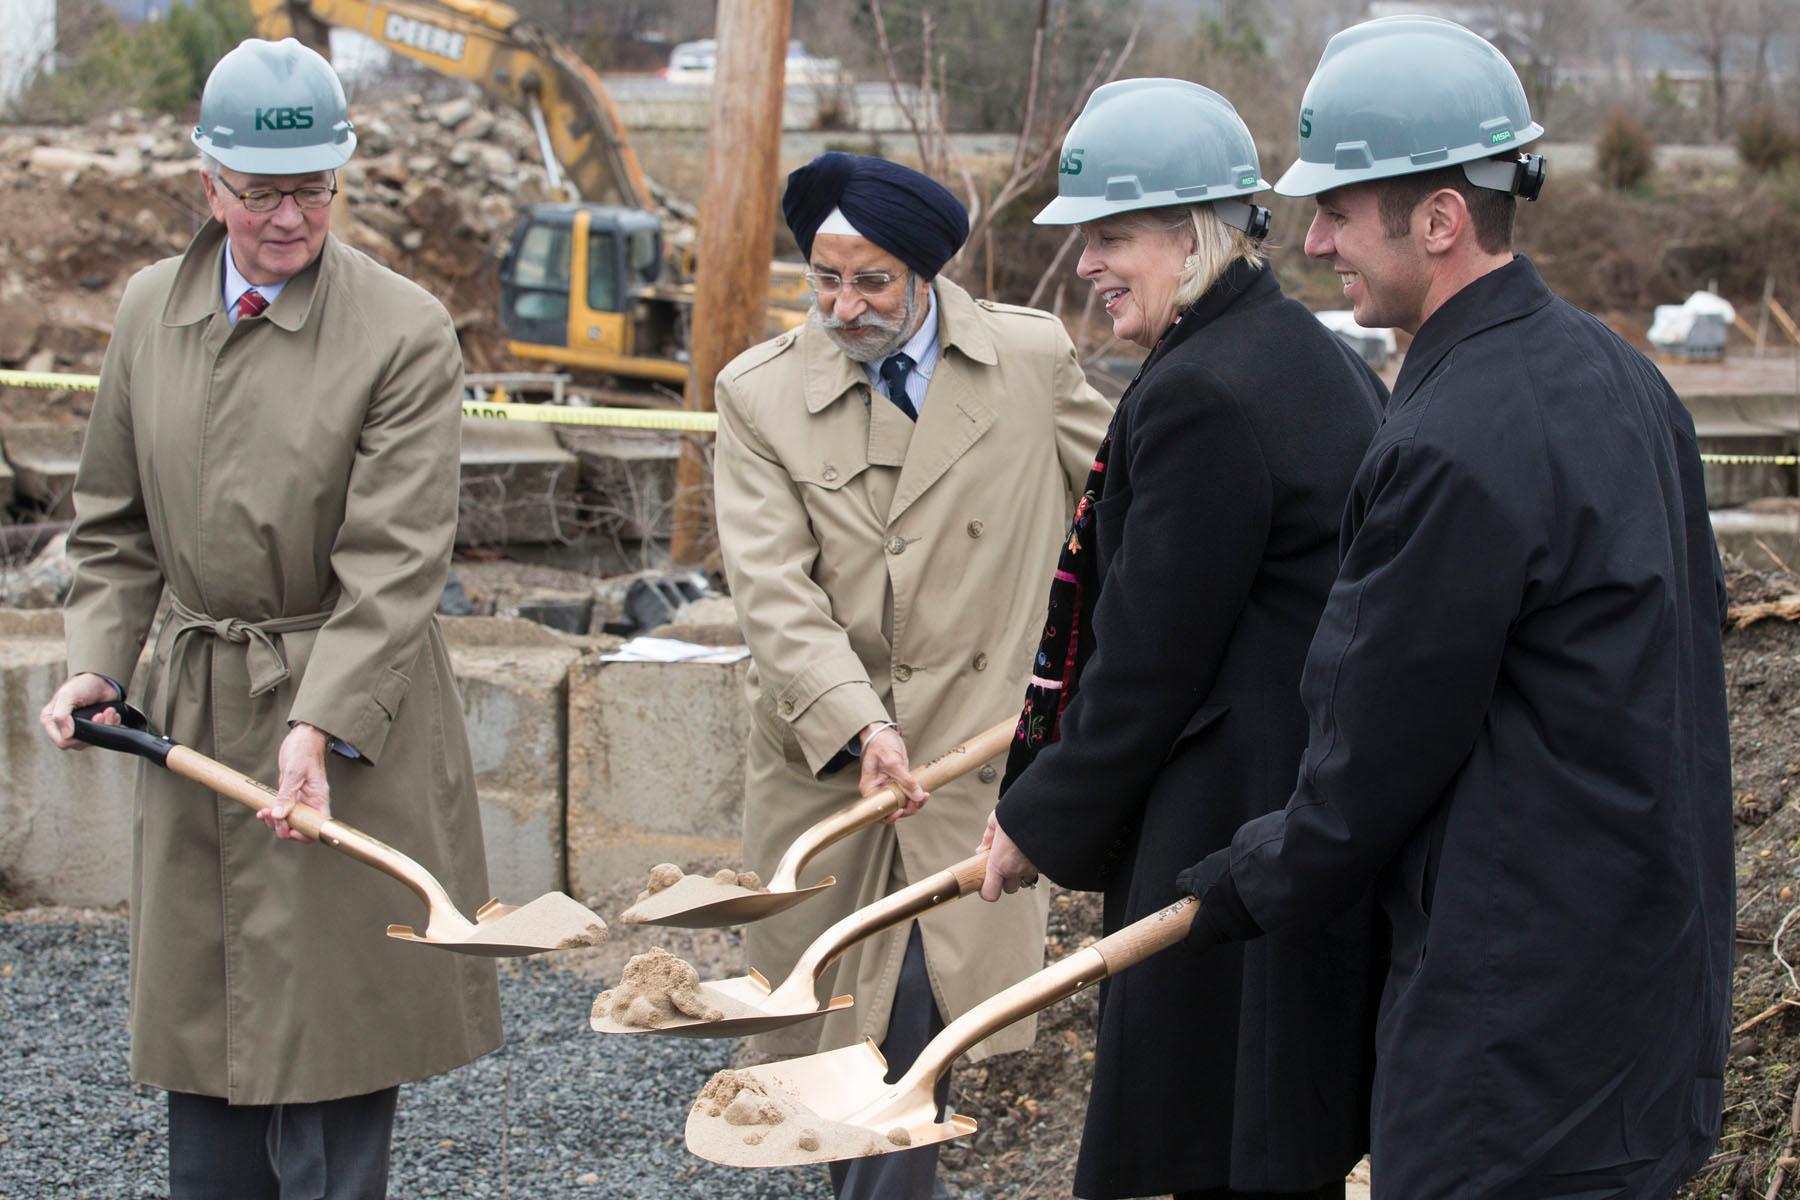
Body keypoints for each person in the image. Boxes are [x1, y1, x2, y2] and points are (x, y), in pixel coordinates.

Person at [1174, 16, 1734, 1199]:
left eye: (1338, 211)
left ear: (1438, 220)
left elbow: (1372, 746)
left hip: (1512, 1016)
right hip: (1642, 983)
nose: (1313, 238)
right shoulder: (1623, 376)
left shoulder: (1450, 440)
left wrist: (1238, 879)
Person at [36, 37, 501, 1198]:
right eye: (260, 191)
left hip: (351, 715)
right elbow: (112, 526)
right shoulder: (149, 310)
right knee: (209, 1031)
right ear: (210, 184)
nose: (288, 218)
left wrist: (319, 723)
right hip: (196, 707)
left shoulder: (401, 330)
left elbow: (394, 562)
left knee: (333, 1039)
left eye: (311, 190)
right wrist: (98, 662)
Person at [975, 79, 1387, 1200]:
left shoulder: (1205, 390)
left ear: (1193, 233)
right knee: (1267, 1121)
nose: (1088, 265)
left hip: (1229, 802)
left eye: (1112, 237)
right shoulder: (1292, 349)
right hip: (1290, 790)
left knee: (1212, 1128)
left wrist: (1034, 821)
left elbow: (1150, 658)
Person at [713, 150, 1113, 1200]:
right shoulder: (757, 395)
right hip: (835, 774)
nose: (845, 305)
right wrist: (856, 724)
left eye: (873, 280)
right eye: (824, 279)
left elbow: (1134, 505)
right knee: (847, 1069)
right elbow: (773, 592)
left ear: (926, 274)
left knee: (907, 1059)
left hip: (967, 775)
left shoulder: (1029, 361)